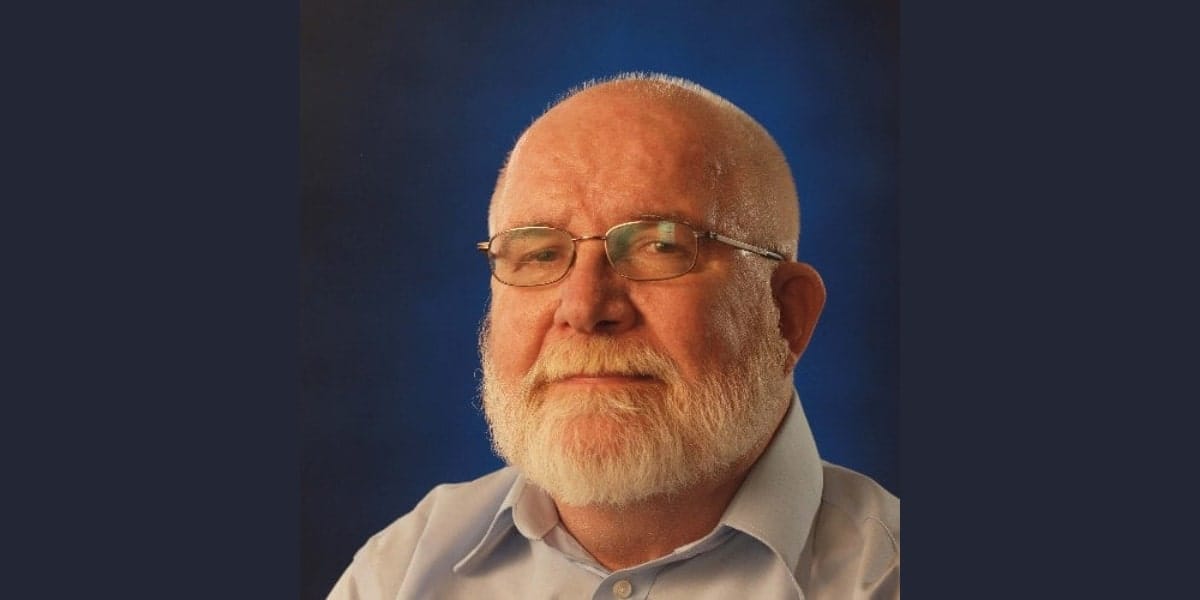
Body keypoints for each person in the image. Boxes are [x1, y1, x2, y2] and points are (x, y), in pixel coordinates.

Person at [327, 73, 899, 599]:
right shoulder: (400, 572)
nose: (583, 308)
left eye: (660, 247)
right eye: (540, 253)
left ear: (786, 315)